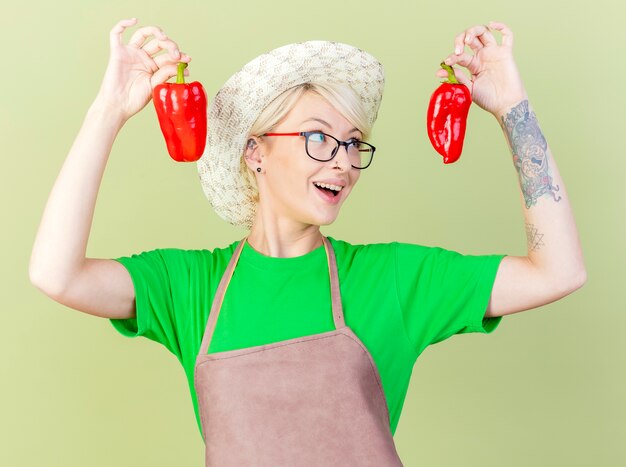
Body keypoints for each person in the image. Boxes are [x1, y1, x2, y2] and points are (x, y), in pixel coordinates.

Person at [29, 17, 586, 466]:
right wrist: (108, 112)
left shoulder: (392, 279)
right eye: (320, 137)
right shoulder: (189, 288)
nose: (343, 161)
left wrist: (513, 109)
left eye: (353, 143)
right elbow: (57, 274)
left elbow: (558, 271)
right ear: (255, 151)